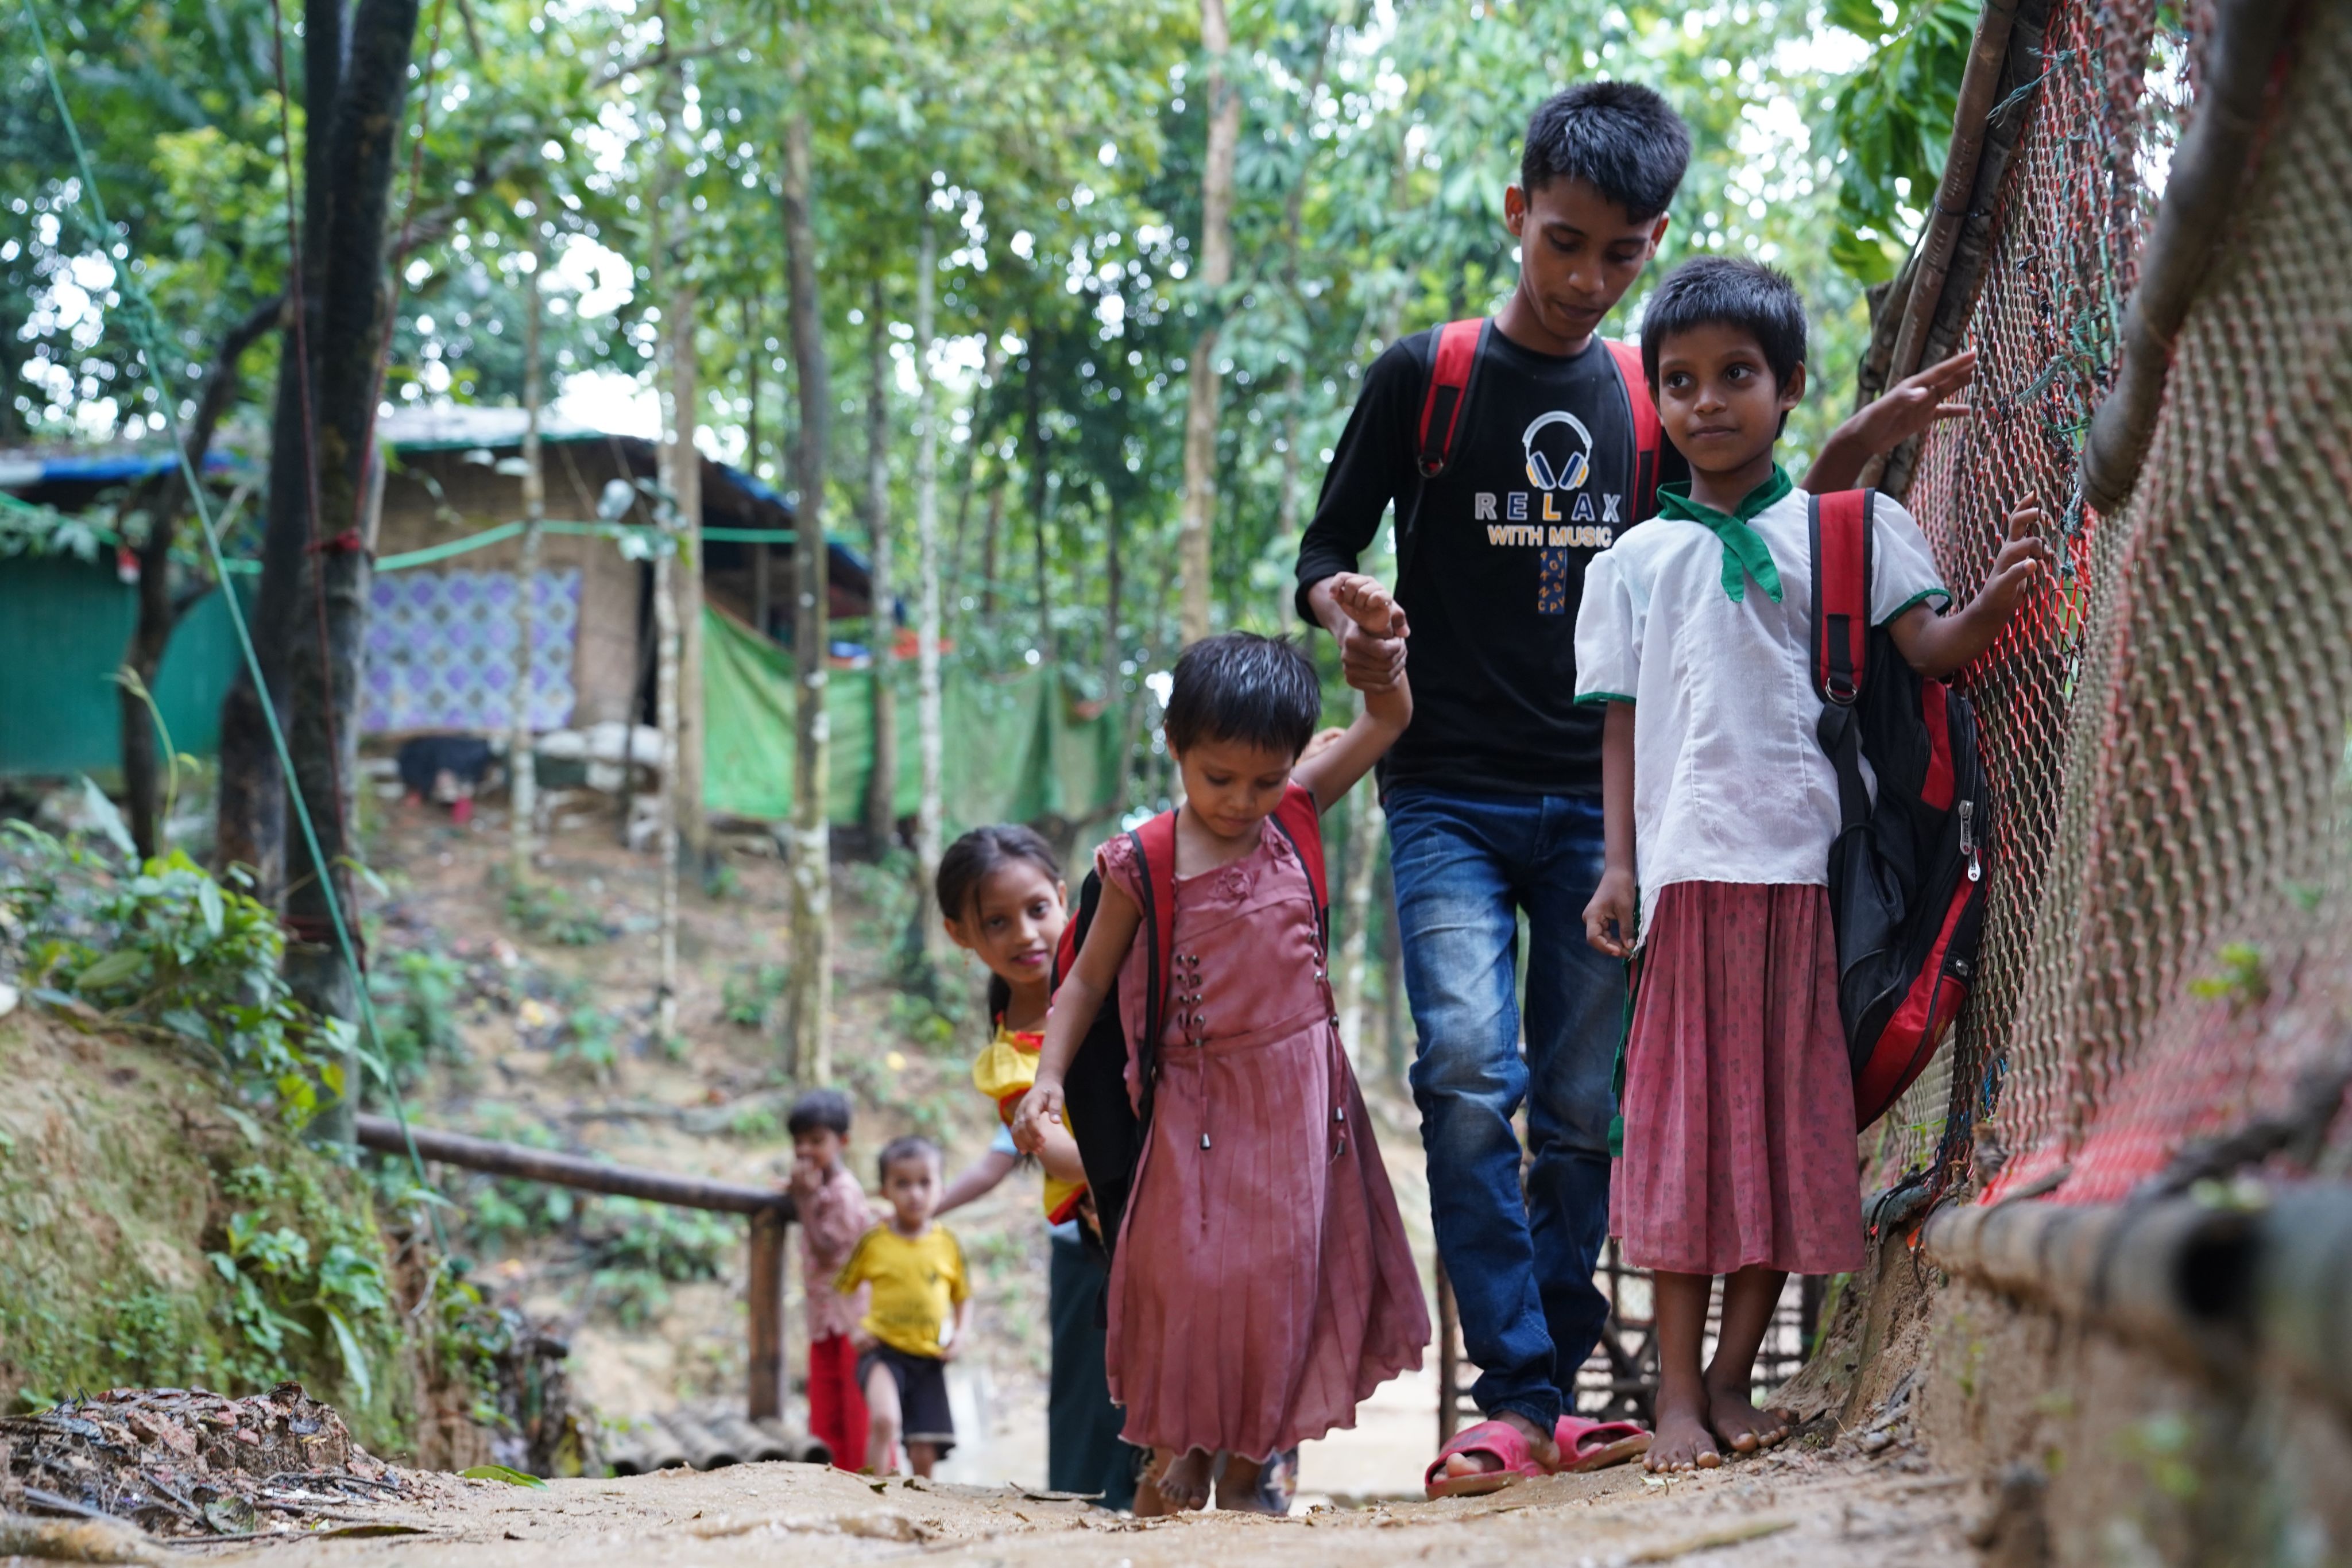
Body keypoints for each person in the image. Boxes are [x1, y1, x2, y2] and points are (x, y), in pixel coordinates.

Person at [1291, 81, 1987, 1489]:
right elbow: (1319, 552)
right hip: (1449, 791)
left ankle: (1561, 1384)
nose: (1586, 281)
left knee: (1586, 1104)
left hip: (1628, 813)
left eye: (1620, 255)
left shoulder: (1646, 392)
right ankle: (1518, 1387)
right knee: (1467, 1073)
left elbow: (1762, 524)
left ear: (1653, 240)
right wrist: (1347, 601)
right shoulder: (1422, 377)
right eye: (1563, 244)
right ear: (1516, 217)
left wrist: (1858, 456)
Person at [1575, 257, 2047, 1470]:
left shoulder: (1852, 529)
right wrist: (1615, 867)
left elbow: (1928, 647)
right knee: (1684, 1138)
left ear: (1786, 388)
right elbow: (1621, 725)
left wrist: (1988, 606)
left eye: (1736, 375)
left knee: (1787, 1134)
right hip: (1684, 888)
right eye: (1677, 382)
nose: (1705, 402)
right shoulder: (1629, 566)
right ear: (1653, 403)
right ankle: (1673, 1399)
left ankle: (1733, 1381)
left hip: (1808, 885)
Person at [1013, 608, 1430, 1515]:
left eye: (1264, 778)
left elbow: (1386, 720)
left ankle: (1250, 1472)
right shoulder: (1142, 861)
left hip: (1300, 1102)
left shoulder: (1295, 809)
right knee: (1190, 1280)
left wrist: (1381, 651)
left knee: (1283, 1281)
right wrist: (1047, 1075)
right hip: (1194, 1111)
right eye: (1218, 777)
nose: (1242, 800)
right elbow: (1081, 982)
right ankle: (1177, 1451)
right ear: (1174, 745)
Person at [930, 824, 1142, 1510]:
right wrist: (1145, 1167)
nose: (1024, 933)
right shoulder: (1007, 1058)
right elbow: (1051, 1151)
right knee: (1094, 1405)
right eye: (996, 921)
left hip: (1158, 1220)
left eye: (1036, 910)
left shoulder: (1118, 975)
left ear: (1062, 898)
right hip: (1092, 1239)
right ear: (961, 935)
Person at [835, 1135, 972, 1478]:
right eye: (903, 1184)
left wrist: (960, 1336)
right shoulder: (874, 1241)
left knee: (923, 1449)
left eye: (925, 1183)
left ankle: (922, 1519)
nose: (915, 1194)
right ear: (885, 1190)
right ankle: (874, 1500)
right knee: (884, 1421)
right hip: (883, 1352)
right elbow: (841, 1289)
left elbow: (963, 1296)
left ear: (941, 1188)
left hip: (928, 1357)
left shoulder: (947, 1244)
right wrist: (855, 1327)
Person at [784, 1087, 873, 1472]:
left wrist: (803, 1201)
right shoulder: (819, 1186)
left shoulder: (845, 1192)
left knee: (859, 1412)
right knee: (826, 1412)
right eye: (799, 1141)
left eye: (817, 1140)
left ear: (843, 1141)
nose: (806, 1150)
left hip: (852, 1320)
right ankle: (835, 1487)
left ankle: (872, 1486)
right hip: (824, 1320)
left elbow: (826, 1249)